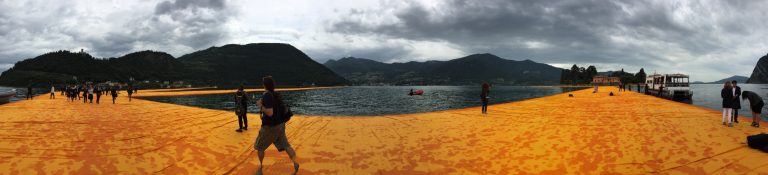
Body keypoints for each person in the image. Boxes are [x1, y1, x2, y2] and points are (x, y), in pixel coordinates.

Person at [254, 76, 299, 174]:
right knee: (286, 145)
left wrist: (260, 106)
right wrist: (263, 103)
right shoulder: (276, 94)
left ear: (264, 85)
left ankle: (261, 168)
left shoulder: (267, 95)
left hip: (270, 127)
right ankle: (295, 162)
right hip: (281, 125)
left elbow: (270, 113)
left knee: (260, 147)